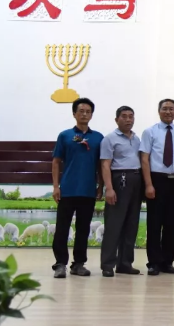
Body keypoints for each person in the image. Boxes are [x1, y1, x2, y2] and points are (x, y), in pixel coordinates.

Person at [51, 98, 104, 278]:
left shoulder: (98, 138)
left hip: (88, 191)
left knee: (84, 229)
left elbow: (101, 165)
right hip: (67, 190)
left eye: (88, 111)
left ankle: (79, 264)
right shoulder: (64, 136)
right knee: (62, 228)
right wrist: (56, 186)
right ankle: (60, 264)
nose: (84, 114)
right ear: (74, 113)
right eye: (81, 111)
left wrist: (101, 186)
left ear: (91, 115)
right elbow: (56, 162)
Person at [140, 99, 174, 275]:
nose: (168, 112)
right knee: (154, 222)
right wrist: (148, 184)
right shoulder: (150, 132)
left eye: (171, 109)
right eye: (165, 109)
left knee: (171, 223)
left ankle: (167, 261)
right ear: (159, 111)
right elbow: (144, 159)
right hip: (157, 180)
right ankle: (153, 262)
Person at [100, 106, 142, 277]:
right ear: (116, 119)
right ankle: (108, 264)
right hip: (119, 179)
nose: (128, 120)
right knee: (114, 225)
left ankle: (125, 263)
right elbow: (105, 165)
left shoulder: (137, 138)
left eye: (131, 116)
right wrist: (109, 188)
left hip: (136, 179)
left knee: (131, 224)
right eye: (124, 116)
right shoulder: (109, 139)